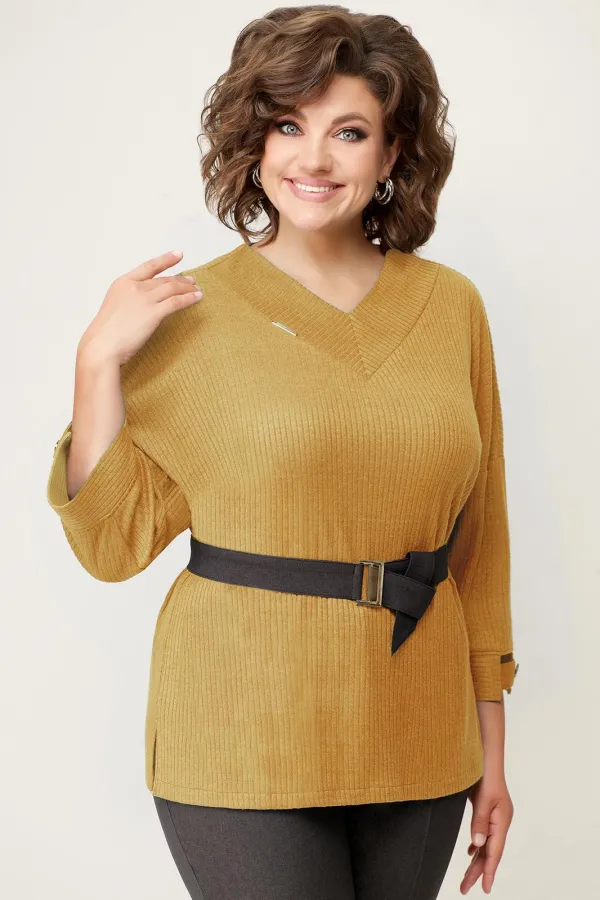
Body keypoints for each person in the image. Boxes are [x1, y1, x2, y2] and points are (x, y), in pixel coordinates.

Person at [46, 5, 519, 899]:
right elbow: (111, 546)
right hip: (241, 731)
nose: (315, 158)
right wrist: (96, 360)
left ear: (392, 154)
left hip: (420, 729)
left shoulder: (451, 306)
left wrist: (492, 752)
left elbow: (478, 546)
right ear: (254, 143)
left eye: (350, 132)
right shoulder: (187, 314)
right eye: (289, 126)